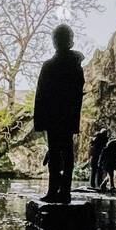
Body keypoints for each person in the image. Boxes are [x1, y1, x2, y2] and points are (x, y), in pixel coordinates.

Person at [32, 24, 84, 204]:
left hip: (53, 117)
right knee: (66, 154)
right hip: (67, 117)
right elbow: (77, 94)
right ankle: (64, 192)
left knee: (55, 153)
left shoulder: (49, 65)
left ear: (55, 42)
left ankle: (54, 190)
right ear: (71, 40)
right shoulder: (76, 66)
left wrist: (39, 121)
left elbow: (41, 95)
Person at [88, 125, 109, 189]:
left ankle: (95, 185)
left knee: (96, 171)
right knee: (97, 170)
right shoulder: (100, 139)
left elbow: (91, 146)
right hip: (97, 156)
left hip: (97, 156)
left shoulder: (98, 139)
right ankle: (96, 185)